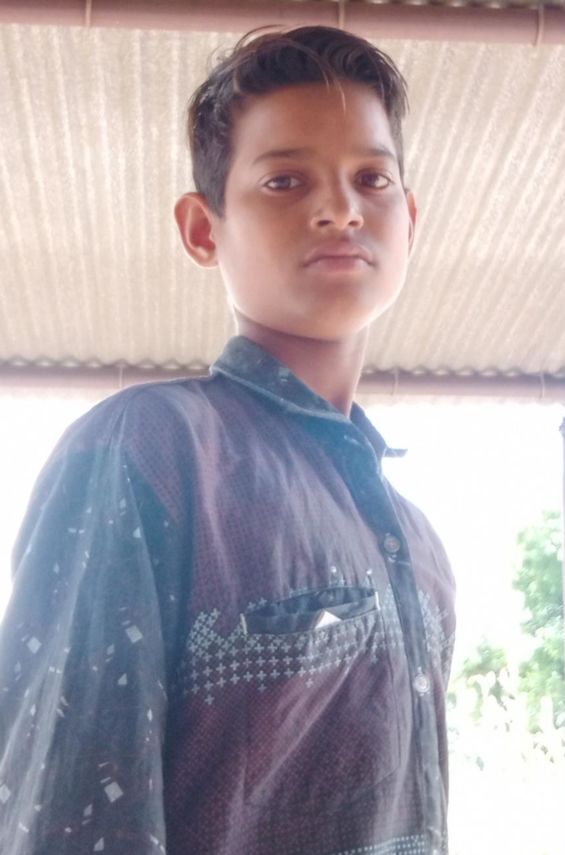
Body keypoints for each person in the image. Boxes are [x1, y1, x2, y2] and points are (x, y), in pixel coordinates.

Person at [0, 25, 455, 855]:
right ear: (202, 229)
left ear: (410, 219)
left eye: (372, 178)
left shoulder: (420, 545)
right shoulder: (147, 452)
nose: (341, 208)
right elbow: (64, 821)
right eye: (285, 180)